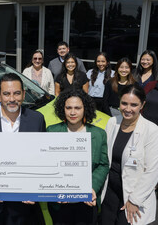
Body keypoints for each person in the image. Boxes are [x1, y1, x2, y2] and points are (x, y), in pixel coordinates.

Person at [0, 73, 46, 225]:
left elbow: (42, 159)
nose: (12, 99)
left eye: (17, 93)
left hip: (25, 205)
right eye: (6, 94)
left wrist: (36, 191)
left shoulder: (36, 119)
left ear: (24, 94)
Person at [101, 84, 158, 225]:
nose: (128, 109)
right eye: (124, 103)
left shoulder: (152, 131)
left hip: (133, 195)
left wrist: (135, 200)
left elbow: (152, 171)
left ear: (142, 105)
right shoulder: (112, 122)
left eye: (134, 105)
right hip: (110, 192)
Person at [47, 89, 109, 225]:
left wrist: (92, 188)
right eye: (68, 108)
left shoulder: (98, 134)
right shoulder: (52, 131)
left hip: (86, 200)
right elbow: (46, 164)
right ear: (62, 109)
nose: (73, 112)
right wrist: (54, 188)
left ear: (85, 109)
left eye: (77, 108)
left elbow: (103, 165)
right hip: (59, 201)